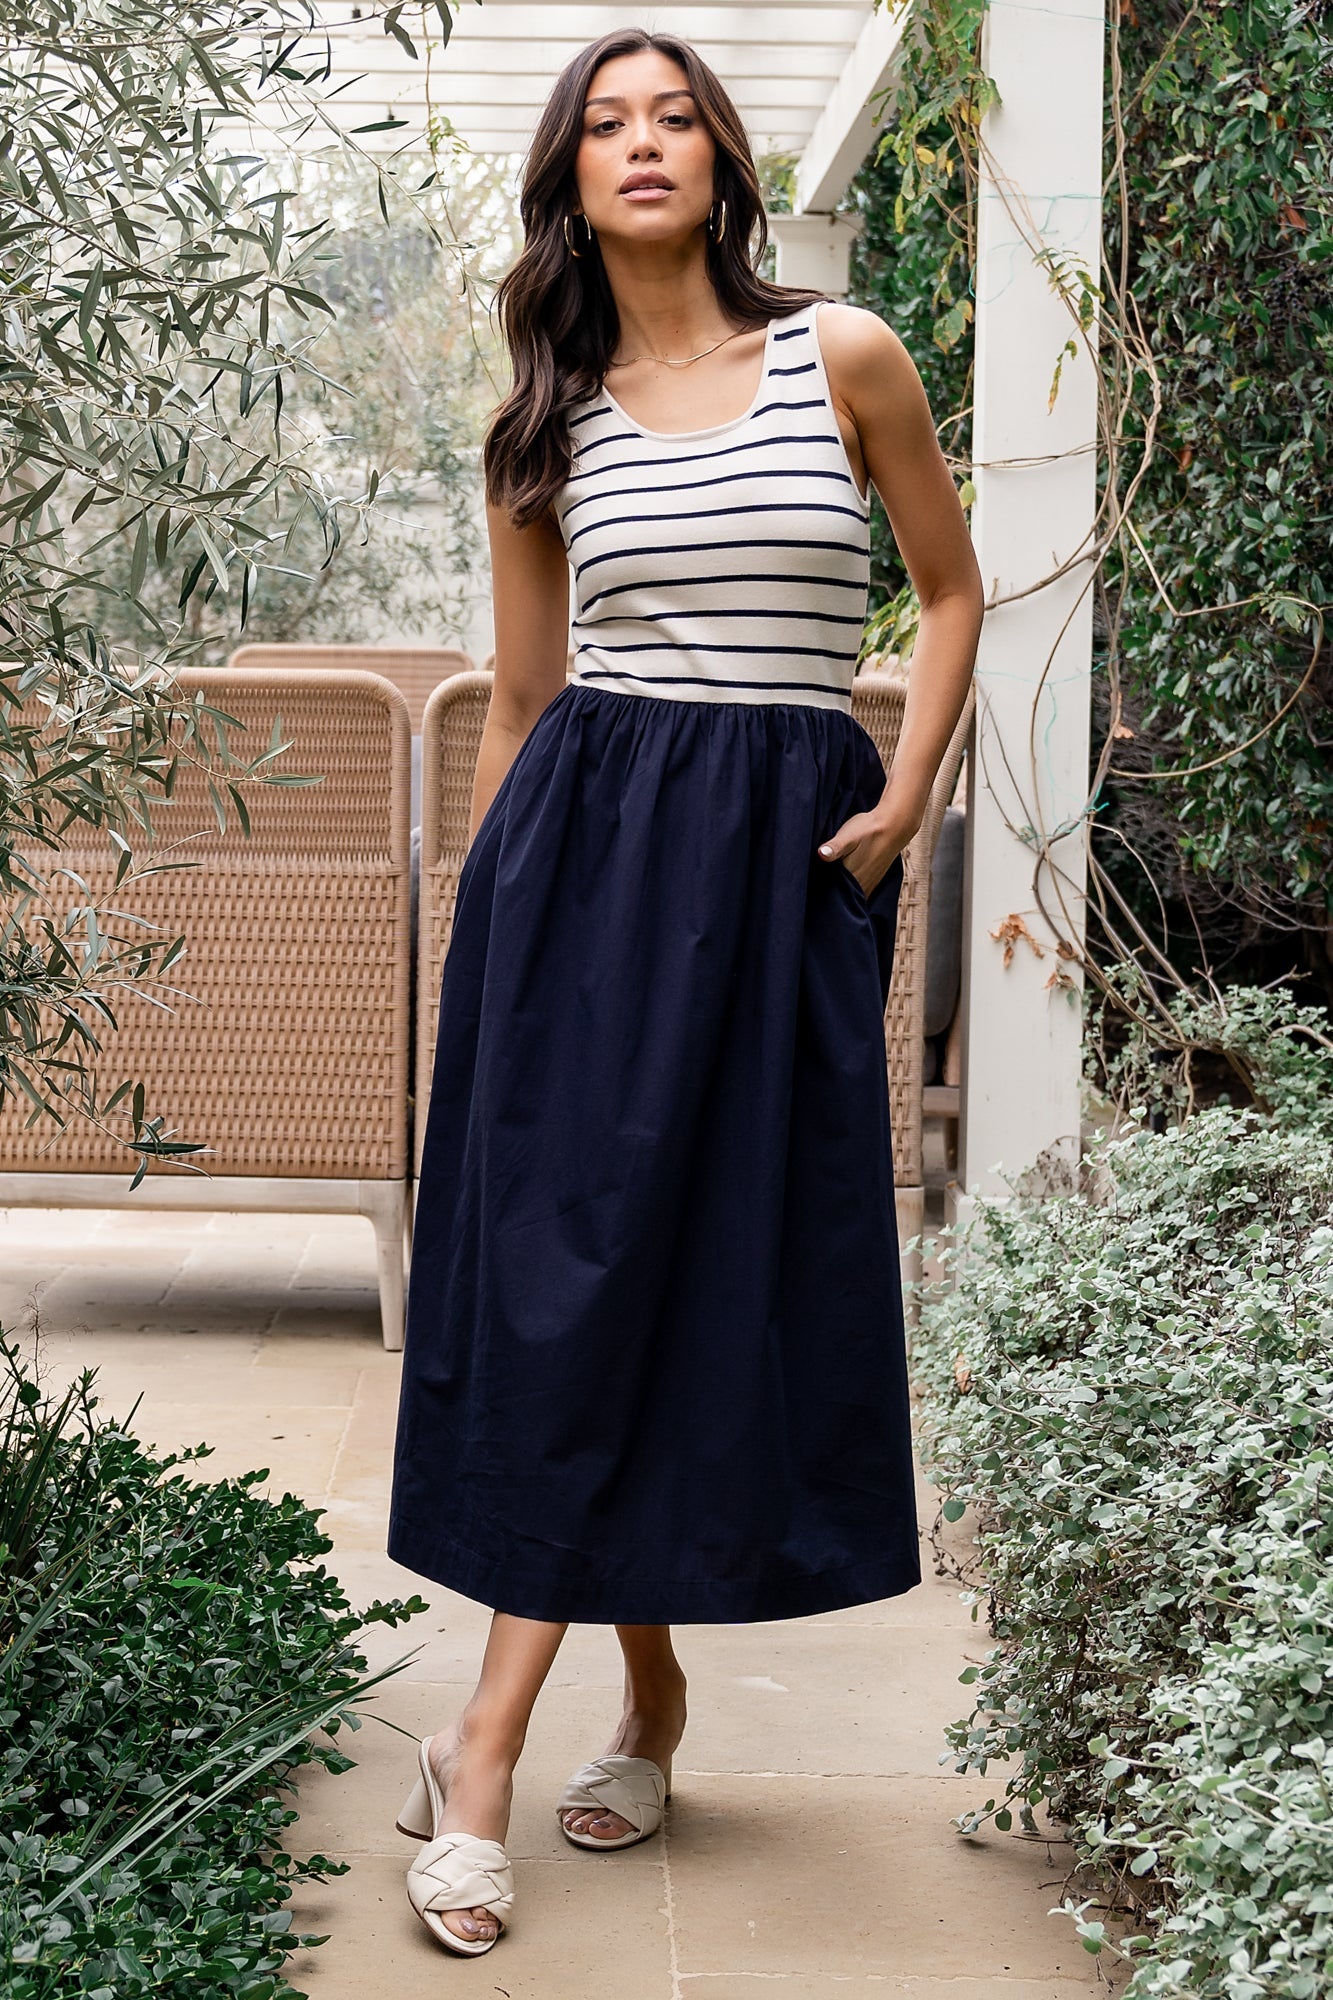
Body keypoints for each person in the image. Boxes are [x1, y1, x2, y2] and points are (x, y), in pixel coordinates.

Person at [387, 27, 983, 1957]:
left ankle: (641, 1701)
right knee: (577, 1291)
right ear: (569, 178)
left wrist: (907, 791)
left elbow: (947, 588)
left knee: (709, 1282)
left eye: (672, 119)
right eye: (604, 125)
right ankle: (490, 1747)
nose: (640, 145)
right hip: (589, 878)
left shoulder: (845, 355)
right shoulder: (542, 423)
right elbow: (526, 694)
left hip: (786, 871)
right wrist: (485, 931)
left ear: (722, 162)